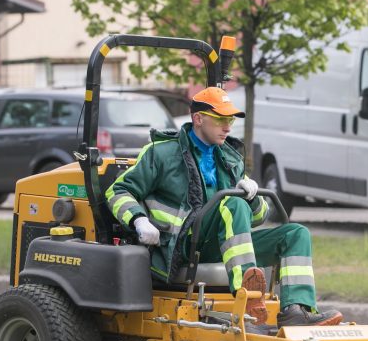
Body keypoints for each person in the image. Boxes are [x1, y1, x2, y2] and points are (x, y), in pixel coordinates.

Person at [107, 87, 342, 328]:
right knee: (233, 203)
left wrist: (252, 196)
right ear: (198, 119)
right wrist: (139, 220)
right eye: (220, 119)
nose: (228, 127)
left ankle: (296, 310)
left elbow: (259, 217)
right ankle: (248, 297)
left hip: (228, 246)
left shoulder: (230, 158)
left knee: (295, 234)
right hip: (182, 246)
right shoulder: (161, 153)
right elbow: (117, 191)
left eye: (229, 120)